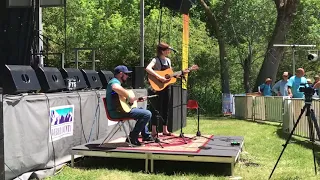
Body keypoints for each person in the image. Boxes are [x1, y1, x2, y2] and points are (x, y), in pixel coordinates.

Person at [106, 65, 153, 146]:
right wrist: (129, 96)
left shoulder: (117, 82)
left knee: (141, 109)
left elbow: (120, 100)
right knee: (147, 114)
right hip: (117, 112)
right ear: (121, 74)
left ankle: (145, 135)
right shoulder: (114, 82)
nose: (127, 76)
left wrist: (136, 100)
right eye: (126, 74)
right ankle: (133, 137)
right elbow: (115, 87)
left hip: (120, 110)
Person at [146, 42, 185, 137]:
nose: (169, 52)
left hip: (167, 87)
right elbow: (148, 68)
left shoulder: (168, 61)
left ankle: (165, 129)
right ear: (162, 51)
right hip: (157, 87)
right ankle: (154, 130)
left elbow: (170, 74)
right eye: (167, 50)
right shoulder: (155, 60)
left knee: (166, 107)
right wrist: (159, 77)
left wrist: (179, 74)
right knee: (156, 108)